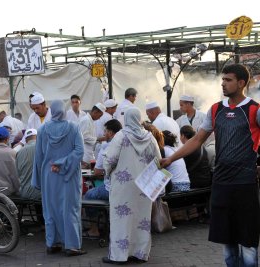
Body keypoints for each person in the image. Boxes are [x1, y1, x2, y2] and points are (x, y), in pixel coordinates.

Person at [160, 64, 260, 267]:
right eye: (222, 79)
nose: (223, 83)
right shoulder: (216, 109)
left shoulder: (254, 110)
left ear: (241, 83)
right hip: (221, 183)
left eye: (228, 80)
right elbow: (197, 140)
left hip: (245, 183)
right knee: (227, 240)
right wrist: (170, 158)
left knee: (248, 242)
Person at [102, 107, 161, 264]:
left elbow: (109, 160)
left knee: (121, 219)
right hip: (144, 184)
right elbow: (158, 161)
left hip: (123, 186)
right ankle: (140, 253)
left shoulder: (121, 136)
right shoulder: (150, 138)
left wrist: (107, 173)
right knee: (141, 218)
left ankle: (119, 255)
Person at [32, 100, 85, 257]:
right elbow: (80, 151)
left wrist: (39, 178)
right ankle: (72, 246)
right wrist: (63, 163)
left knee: (51, 209)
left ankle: (52, 243)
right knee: (70, 209)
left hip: (49, 175)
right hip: (69, 175)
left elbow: (39, 157)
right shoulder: (73, 127)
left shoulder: (42, 130)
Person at [83, 119, 122, 238]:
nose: (104, 134)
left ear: (110, 132)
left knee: (89, 195)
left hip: (110, 188)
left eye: (105, 131)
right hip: (125, 187)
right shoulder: (126, 144)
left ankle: (94, 229)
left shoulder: (106, 147)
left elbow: (97, 171)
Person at [15, 129, 41, 200]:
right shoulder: (45, 148)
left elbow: (17, 174)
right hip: (44, 193)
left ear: (26, 140)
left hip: (26, 193)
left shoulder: (19, 152)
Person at [79, 103, 106, 169]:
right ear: (95, 112)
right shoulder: (86, 120)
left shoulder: (90, 120)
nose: (99, 118)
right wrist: (99, 139)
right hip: (84, 154)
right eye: (100, 115)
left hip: (89, 152)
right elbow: (84, 137)